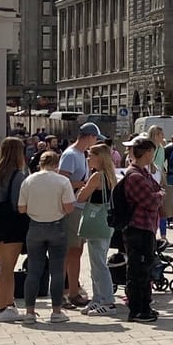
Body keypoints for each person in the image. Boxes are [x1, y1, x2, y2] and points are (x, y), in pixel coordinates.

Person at [17, 151, 77, 324]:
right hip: (57, 226)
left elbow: (21, 208)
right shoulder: (62, 181)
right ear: (56, 164)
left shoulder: (29, 180)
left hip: (35, 226)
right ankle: (56, 311)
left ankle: (29, 312)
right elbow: (69, 208)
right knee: (57, 271)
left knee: (34, 270)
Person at [117, 137, 167, 323]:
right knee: (138, 271)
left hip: (146, 227)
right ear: (146, 152)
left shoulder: (143, 173)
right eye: (152, 152)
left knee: (145, 269)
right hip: (137, 228)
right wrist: (160, 195)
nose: (153, 155)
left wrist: (158, 193)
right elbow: (151, 201)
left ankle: (145, 305)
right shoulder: (135, 176)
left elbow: (157, 189)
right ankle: (137, 309)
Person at [0, 138, 29, 322]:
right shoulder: (17, 175)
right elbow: (17, 203)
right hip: (12, 223)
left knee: (5, 266)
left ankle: (6, 305)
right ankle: (4, 308)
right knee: (8, 269)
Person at [74, 144, 120, 314]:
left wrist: (83, 187)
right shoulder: (110, 175)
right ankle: (98, 298)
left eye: (90, 155)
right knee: (96, 262)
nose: (88, 159)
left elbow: (81, 197)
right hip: (107, 223)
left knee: (99, 264)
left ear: (99, 157)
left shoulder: (96, 176)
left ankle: (107, 301)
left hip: (97, 223)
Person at [58, 123, 99, 307]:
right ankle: (65, 292)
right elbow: (62, 179)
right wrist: (82, 183)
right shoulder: (70, 155)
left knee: (76, 251)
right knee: (70, 252)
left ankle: (73, 290)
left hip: (80, 206)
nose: (96, 142)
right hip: (72, 207)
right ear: (89, 137)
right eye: (95, 138)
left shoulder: (81, 155)